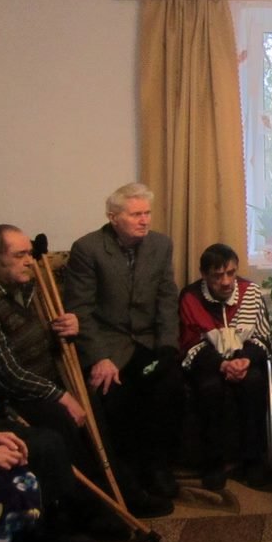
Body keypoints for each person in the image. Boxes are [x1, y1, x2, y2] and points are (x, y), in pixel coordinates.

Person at [0, 225, 148, 536]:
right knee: (63, 419)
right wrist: (60, 396)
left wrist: (68, 327)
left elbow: (48, 340)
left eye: (30, 253)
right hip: (13, 396)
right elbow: (5, 373)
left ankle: (120, 491)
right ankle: (90, 512)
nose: (29, 261)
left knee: (94, 399)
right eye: (20, 255)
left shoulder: (27, 285)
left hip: (48, 380)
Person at [64, 183, 184, 503]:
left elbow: (167, 299)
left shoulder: (160, 245)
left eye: (147, 213)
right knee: (115, 395)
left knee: (170, 385)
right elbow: (80, 310)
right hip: (109, 343)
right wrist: (99, 357)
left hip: (148, 341)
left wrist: (168, 346)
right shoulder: (88, 249)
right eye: (136, 215)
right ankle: (126, 475)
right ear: (113, 217)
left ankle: (158, 467)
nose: (145, 220)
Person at [179, 243, 271, 491]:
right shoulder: (190, 298)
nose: (226, 281)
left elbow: (263, 337)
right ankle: (213, 464)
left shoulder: (250, 292)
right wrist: (221, 365)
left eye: (231, 273)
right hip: (209, 362)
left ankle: (254, 460)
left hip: (244, 358)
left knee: (254, 383)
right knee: (209, 389)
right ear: (204, 275)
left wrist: (246, 359)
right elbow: (189, 344)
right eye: (218, 276)